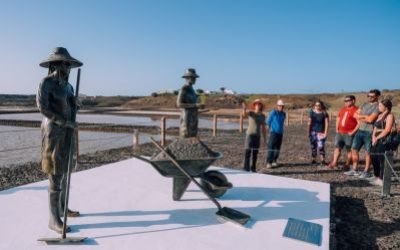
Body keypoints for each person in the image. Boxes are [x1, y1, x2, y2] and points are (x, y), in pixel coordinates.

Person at [37, 47, 82, 234]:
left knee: (65, 171)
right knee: (55, 174)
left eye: (70, 64)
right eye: (66, 63)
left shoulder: (69, 86)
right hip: (54, 132)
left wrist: (76, 105)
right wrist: (63, 121)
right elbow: (42, 107)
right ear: (56, 64)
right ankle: (53, 218)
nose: (69, 67)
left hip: (68, 132)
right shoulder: (46, 83)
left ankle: (63, 208)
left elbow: (71, 106)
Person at [345, 89, 380, 178]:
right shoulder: (364, 104)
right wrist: (365, 117)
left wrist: (361, 117)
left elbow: (371, 120)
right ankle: (355, 169)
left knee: (368, 152)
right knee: (354, 149)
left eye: (372, 96)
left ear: (377, 96)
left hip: (370, 132)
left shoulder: (378, 106)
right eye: (368, 96)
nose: (369, 98)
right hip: (360, 130)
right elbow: (355, 115)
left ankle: (366, 170)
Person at [327, 95, 359, 169]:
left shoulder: (356, 110)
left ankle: (347, 164)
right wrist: (336, 129)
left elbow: (359, 123)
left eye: (348, 100)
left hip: (349, 133)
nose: (346, 102)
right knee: (337, 147)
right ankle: (334, 162)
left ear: (353, 101)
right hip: (340, 132)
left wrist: (353, 132)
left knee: (349, 149)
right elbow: (338, 118)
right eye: (345, 101)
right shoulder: (343, 109)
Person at [369, 99, 395, 186]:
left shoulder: (390, 116)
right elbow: (375, 128)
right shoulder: (380, 115)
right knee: (373, 156)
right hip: (376, 138)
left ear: (386, 107)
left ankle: (382, 178)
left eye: (380, 106)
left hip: (384, 140)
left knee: (382, 159)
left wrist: (377, 138)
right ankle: (376, 176)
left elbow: (387, 130)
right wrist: (373, 137)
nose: (378, 107)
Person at [176, 68, 204, 138]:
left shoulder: (192, 90)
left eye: (195, 78)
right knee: (186, 136)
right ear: (187, 78)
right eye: (192, 77)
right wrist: (195, 105)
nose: (195, 79)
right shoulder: (184, 88)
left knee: (193, 136)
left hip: (193, 118)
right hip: (186, 119)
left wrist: (199, 101)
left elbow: (195, 102)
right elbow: (179, 104)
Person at [242, 99, 267, 172]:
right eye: (256, 104)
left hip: (257, 136)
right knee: (247, 152)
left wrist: (265, 139)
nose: (258, 105)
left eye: (259, 104)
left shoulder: (262, 115)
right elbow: (244, 115)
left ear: (261, 106)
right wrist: (244, 109)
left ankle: (253, 168)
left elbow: (263, 128)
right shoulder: (251, 113)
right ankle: (246, 168)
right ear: (254, 105)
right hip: (249, 135)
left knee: (255, 153)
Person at [307, 100, 329, 166]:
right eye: (316, 105)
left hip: (321, 133)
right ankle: (314, 159)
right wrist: (308, 132)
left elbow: (327, 123)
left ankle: (322, 160)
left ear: (321, 106)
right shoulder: (311, 112)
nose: (317, 106)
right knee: (313, 146)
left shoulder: (324, 113)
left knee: (321, 146)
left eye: (318, 105)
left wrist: (325, 133)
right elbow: (309, 122)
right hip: (313, 132)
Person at [265, 99, 286, 168]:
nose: (281, 107)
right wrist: (267, 129)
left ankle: (274, 161)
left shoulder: (283, 114)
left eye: (282, 106)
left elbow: (282, 123)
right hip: (273, 132)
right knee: (271, 147)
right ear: (277, 106)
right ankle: (269, 162)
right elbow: (268, 121)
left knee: (277, 148)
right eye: (280, 106)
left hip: (280, 133)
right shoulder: (273, 112)